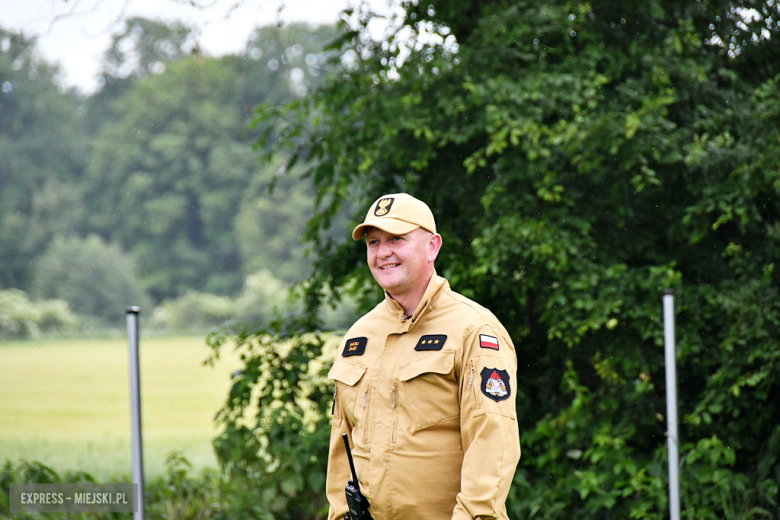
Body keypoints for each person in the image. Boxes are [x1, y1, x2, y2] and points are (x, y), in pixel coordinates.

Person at [326, 193, 520, 520]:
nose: (383, 252)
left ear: (433, 246)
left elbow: (492, 443)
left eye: (397, 239)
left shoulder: (475, 330)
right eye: (373, 242)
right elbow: (342, 446)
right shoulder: (358, 337)